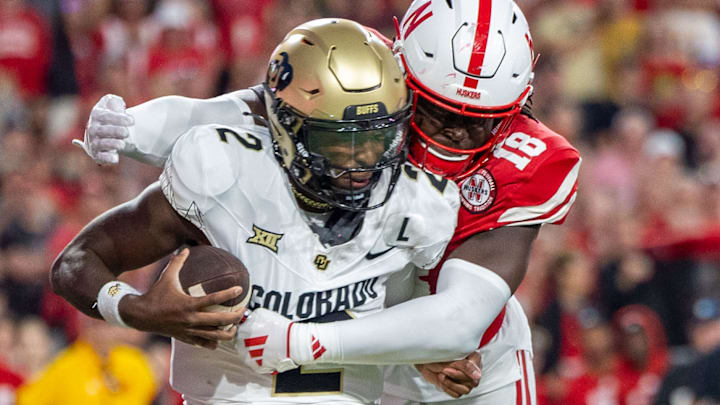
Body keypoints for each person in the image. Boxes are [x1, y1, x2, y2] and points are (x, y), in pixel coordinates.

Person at [75, 0, 581, 402]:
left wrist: (303, 342)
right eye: (439, 109)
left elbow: (458, 317)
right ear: (401, 71)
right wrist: (137, 127)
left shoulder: (531, 161)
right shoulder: (366, 77)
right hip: (356, 355)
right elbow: (258, 107)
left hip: (464, 364)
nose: (458, 131)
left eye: (485, 119)